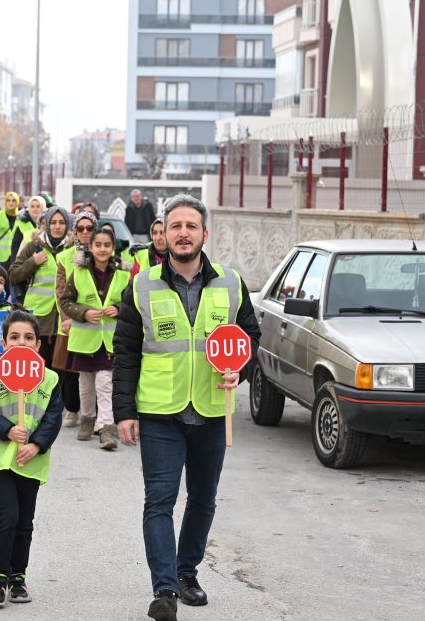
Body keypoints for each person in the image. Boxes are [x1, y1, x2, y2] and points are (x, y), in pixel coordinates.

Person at [111, 195, 261, 621]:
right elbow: (125, 352)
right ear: (164, 234)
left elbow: (250, 337)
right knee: (159, 499)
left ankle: (186, 572)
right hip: (160, 412)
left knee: (203, 499)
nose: (182, 233)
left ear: (204, 234)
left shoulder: (231, 283)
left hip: (213, 411)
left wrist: (242, 369)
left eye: (190, 226)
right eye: (175, 226)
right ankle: (164, 590)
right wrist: (125, 411)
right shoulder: (142, 285)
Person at [0, 309, 64, 608]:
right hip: (1, 458)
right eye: (14, 337)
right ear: (3, 342)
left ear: (39, 344)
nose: (21, 342)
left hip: (32, 459)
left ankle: (18, 576)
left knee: (25, 522)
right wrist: (9, 430)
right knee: (8, 516)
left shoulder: (50, 379)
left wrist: (37, 445)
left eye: (28, 337)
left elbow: (53, 418)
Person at [58, 226, 128, 451]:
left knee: (105, 383)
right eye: (98, 245)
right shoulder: (78, 272)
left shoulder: (123, 274)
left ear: (113, 247)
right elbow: (66, 301)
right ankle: (87, 419)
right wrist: (84, 313)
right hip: (84, 340)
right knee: (86, 384)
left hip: (109, 341)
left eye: (107, 245)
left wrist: (118, 308)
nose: (102, 249)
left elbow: (131, 302)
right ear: (90, 247)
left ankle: (106, 427)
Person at [7, 205, 73, 413]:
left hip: (63, 315)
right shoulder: (33, 246)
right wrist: (32, 262)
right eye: (53, 222)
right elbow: (14, 274)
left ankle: (55, 403)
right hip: (38, 316)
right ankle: (34, 402)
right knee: (39, 362)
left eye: (62, 222)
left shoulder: (73, 249)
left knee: (60, 365)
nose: (57, 226)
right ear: (45, 224)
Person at [53, 211, 96, 428]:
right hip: (71, 318)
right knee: (70, 369)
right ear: (75, 231)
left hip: (97, 320)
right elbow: (60, 290)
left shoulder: (103, 252)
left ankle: (94, 413)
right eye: (81, 228)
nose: (85, 232)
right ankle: (72, 409)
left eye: (89, 228)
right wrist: (66, 318)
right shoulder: (65, 256)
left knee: (96, 369)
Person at [8, 195, 46, 261]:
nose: (35, 209)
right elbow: (15, 245)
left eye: (38, 206)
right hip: (26, 262)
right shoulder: (22, 223)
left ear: (43, 207)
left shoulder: (49, 222)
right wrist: (14, 264)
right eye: (32, 206)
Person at [0, 192, 27, 263]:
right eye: (8, 200)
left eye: (13, 200)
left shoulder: (22, 217)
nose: (11, 203)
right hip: (0, 257)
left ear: (17, 202)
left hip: (17, 256)